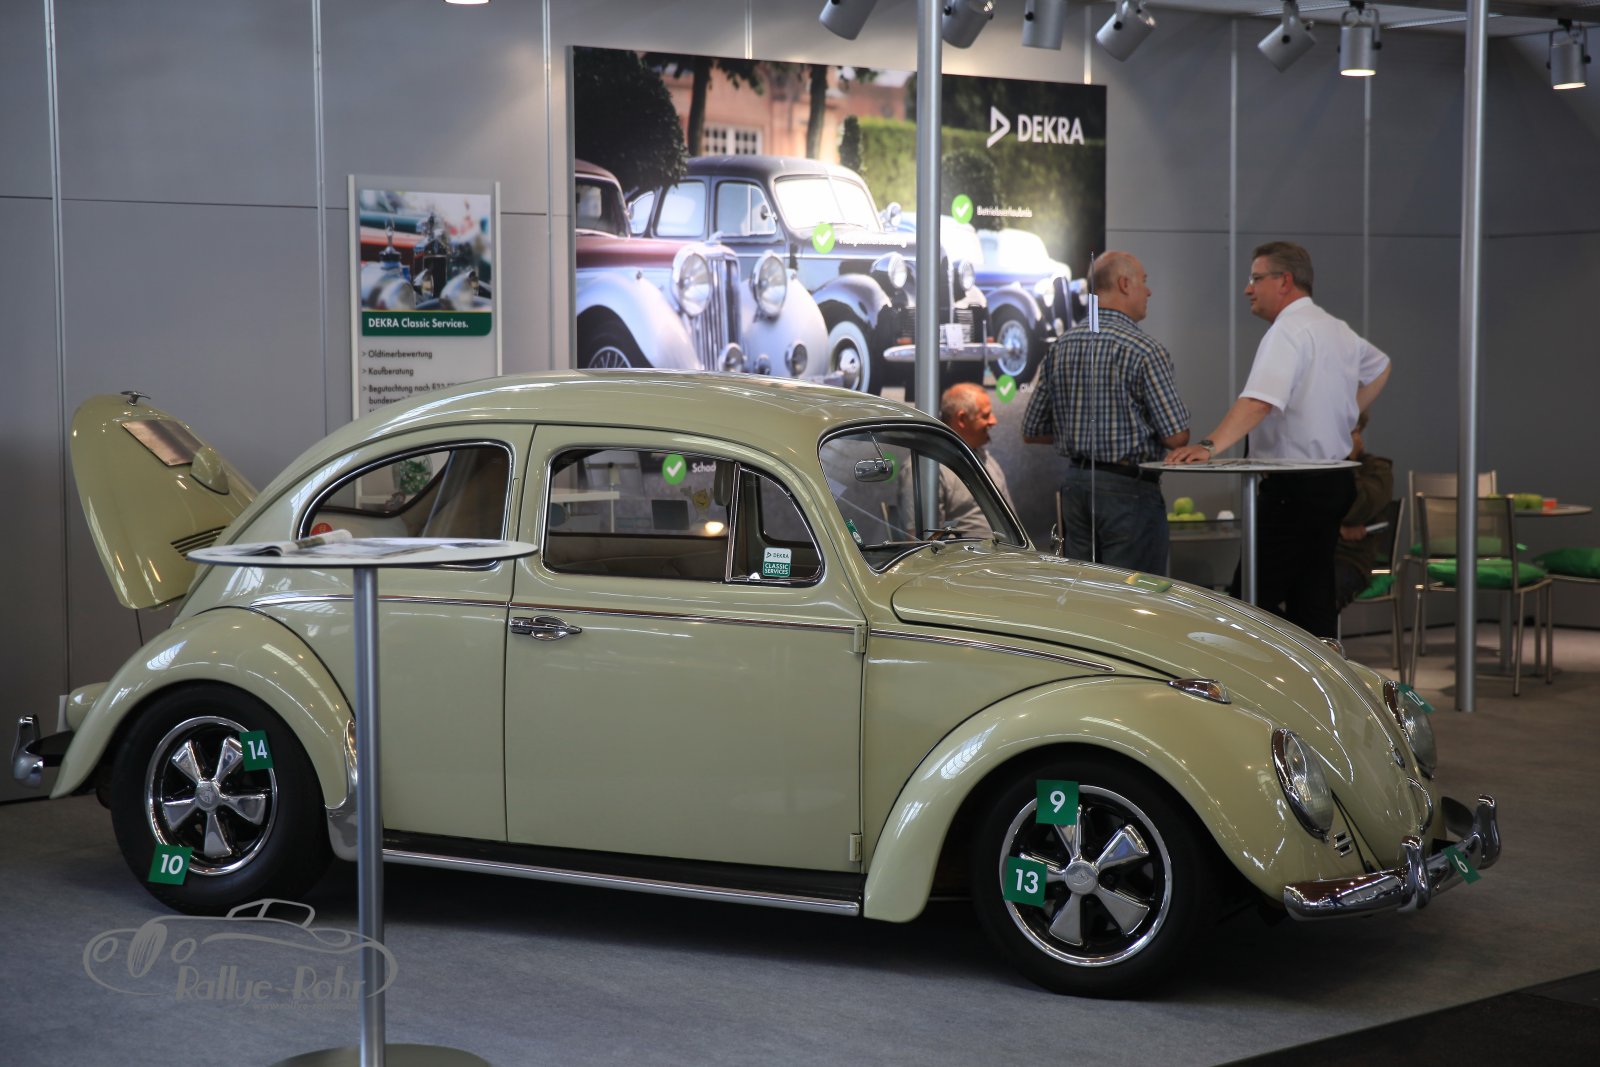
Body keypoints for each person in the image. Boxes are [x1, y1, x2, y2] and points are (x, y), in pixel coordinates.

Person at [1167, 241, 1391, 636]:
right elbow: (1380, 366)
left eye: (1256, 279)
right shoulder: (1335, 328)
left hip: (1293, 488)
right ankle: (1319, 673)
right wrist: (1344, 415)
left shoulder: (1288, 330)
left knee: (1250, 605)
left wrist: (1208, 445)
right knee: (1313, 600)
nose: (1247, 289)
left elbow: (1258, 402)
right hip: (1334, 480)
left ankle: (1248, 674)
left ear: (1284, 281)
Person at [1022, 251, 1190, 574]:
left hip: (1075, 486)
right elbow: (1177, 437)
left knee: (1085, 592)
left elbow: (1032, 430)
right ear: (1124, 284)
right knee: (1133, 596)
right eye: (1144, 282)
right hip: (1129, 491)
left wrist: (1080, 432)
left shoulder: (1061, 346)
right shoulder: (1145, 350)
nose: (1149, 291)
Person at [1334, 412, 1395, 610]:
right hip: (1307, 552)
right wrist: (1338, 529)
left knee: (1320, 591)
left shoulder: (1377, 470)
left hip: (1349, 559)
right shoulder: (1314, 468)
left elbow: (1355, 508)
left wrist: (1346, 462)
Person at [937, 382, 1014, 536]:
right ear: (962, 419)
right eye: (985, 416)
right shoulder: (929, 469)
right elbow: (923, 541)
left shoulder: (987, 460)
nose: (993, 421)